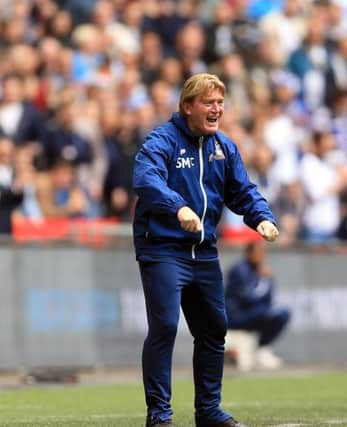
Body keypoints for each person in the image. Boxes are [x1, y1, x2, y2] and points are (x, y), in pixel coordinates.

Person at [133, 73, 279, 427]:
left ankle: (209, 411)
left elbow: (242, 191)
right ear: (187, 107)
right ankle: (159, 414)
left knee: (214, 329)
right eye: (209, 103)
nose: (217, 109)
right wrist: (177, 207)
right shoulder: (162, 141)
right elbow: (145, 179)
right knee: (165, 326)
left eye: (220, 103)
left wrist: (261, 217)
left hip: (204, 252)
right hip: (164, 249)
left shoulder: (224, 147)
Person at [225, 241, 291, 369]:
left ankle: (261, 348)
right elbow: (247, 297)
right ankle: (257, 349)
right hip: (236, 315)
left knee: (281, 314)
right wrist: (264, 282)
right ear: (249, 253)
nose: (261, 256)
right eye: (258, 252)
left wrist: (269, 280)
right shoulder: (239, 269)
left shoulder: (261, 271)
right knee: (270, 312)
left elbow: (269, 299)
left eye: (262, 252)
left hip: (253, 312)